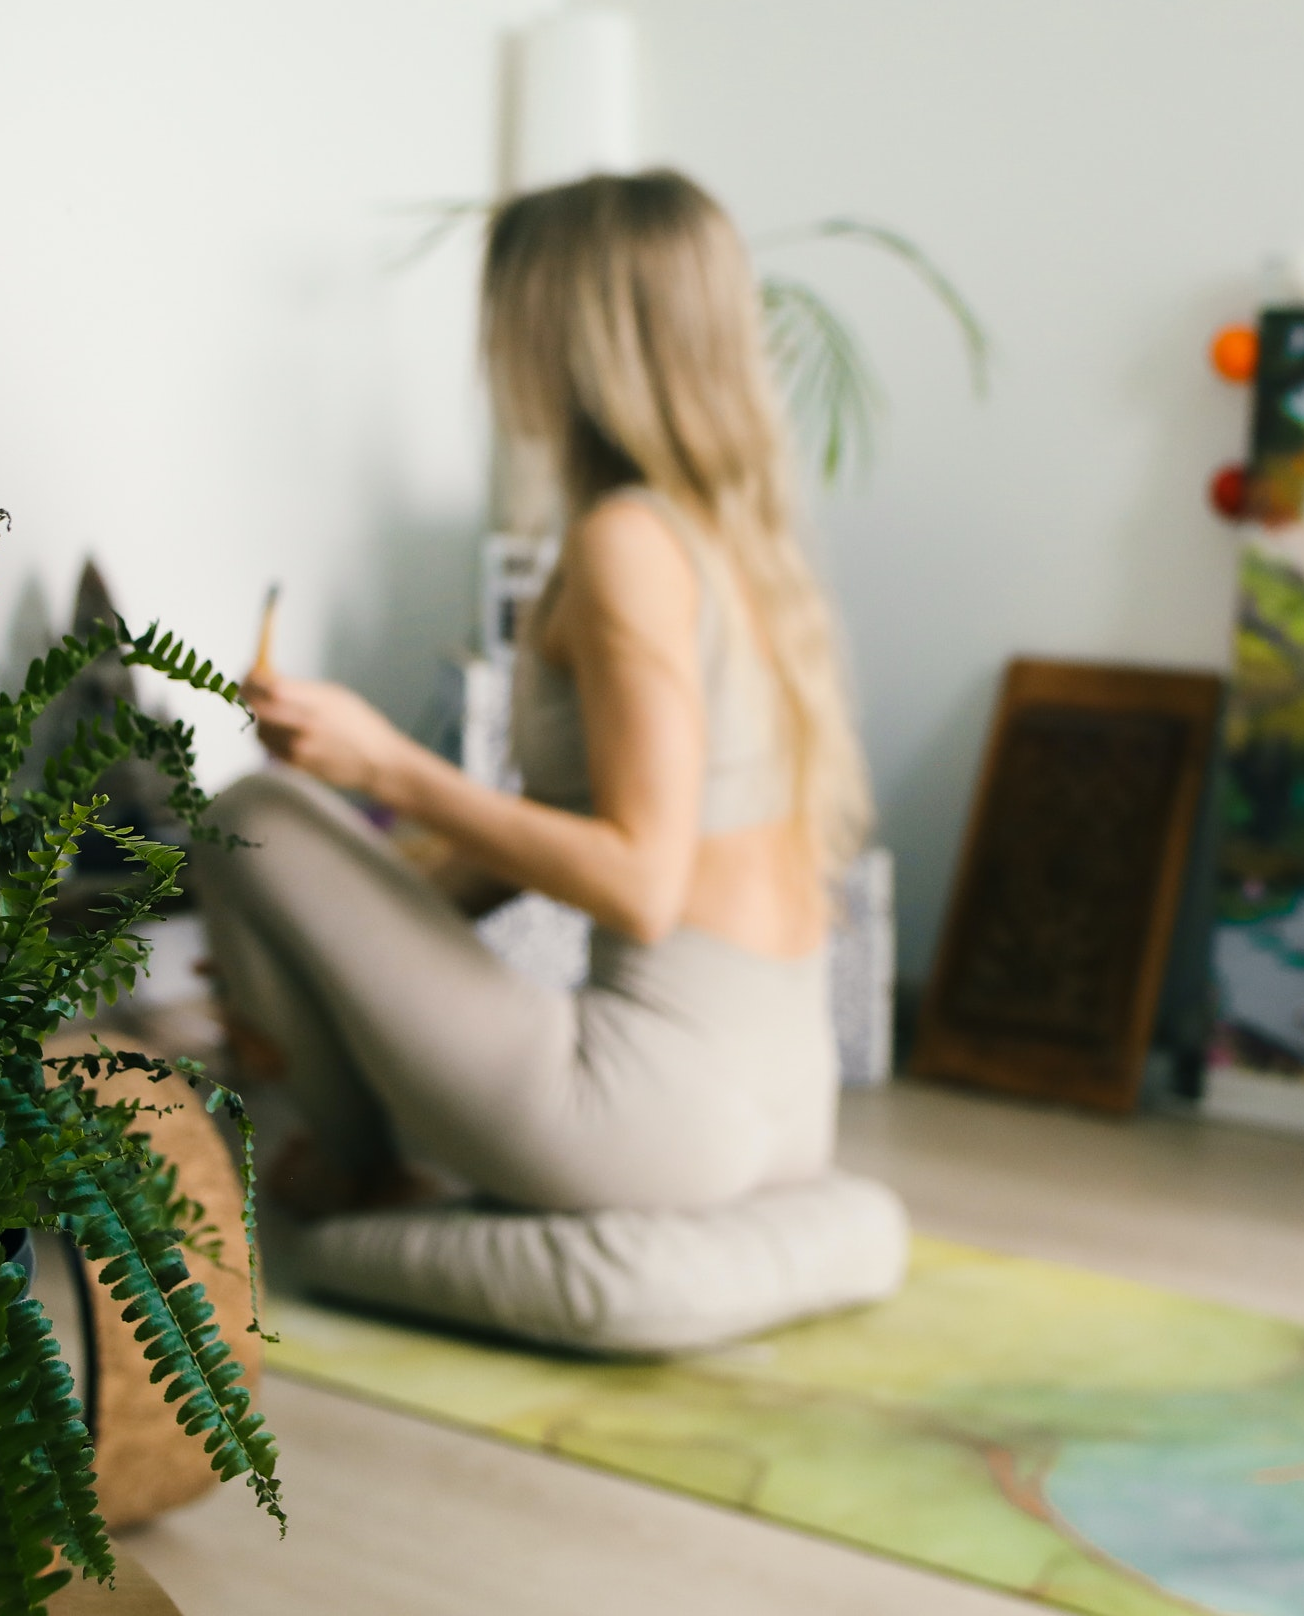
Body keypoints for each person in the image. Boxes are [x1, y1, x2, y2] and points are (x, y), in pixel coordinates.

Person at [195, 170, 869, 1217]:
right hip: (785, 1096)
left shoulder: (625, 544)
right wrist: (340, 913)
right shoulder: (735, 536)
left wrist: (383, 764)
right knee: (297, 846)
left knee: (250, 816)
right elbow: (581, 835)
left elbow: (641, 881)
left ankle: (354, 1169)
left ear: (562, 331)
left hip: (650, 1111)